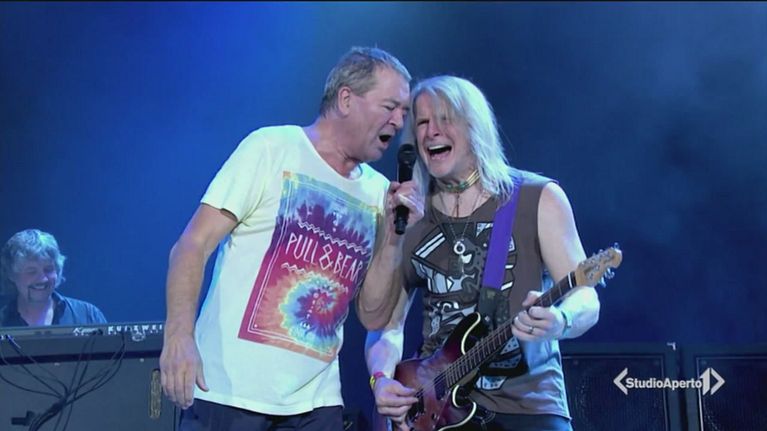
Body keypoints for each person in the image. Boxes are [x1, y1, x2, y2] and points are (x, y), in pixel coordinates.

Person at [160, 46, 422, 431]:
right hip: (230, 393)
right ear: (346, 99)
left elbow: (372, 314)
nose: (399, 122)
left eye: (404, 112)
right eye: (390, 107)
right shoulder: (271, 149)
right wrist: (178, 336)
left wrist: (394, 239)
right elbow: (192, 245)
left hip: (317, 403)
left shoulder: (379, 192)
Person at [365, 75, 601, 431]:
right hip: (436, 413)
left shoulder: (537, 198)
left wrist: (561, 320)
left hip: (530, 406)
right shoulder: (410, 216)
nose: (431, 132)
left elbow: (586, 297)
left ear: (475, 126)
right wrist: (381, 379)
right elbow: (385, 326)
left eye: (445, 119)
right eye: (423, 122)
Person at [0, 228, 107, 327]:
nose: (43, 279)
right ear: (11, 274)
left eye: (48, 269)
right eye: (31, 271)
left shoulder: (88, 316)